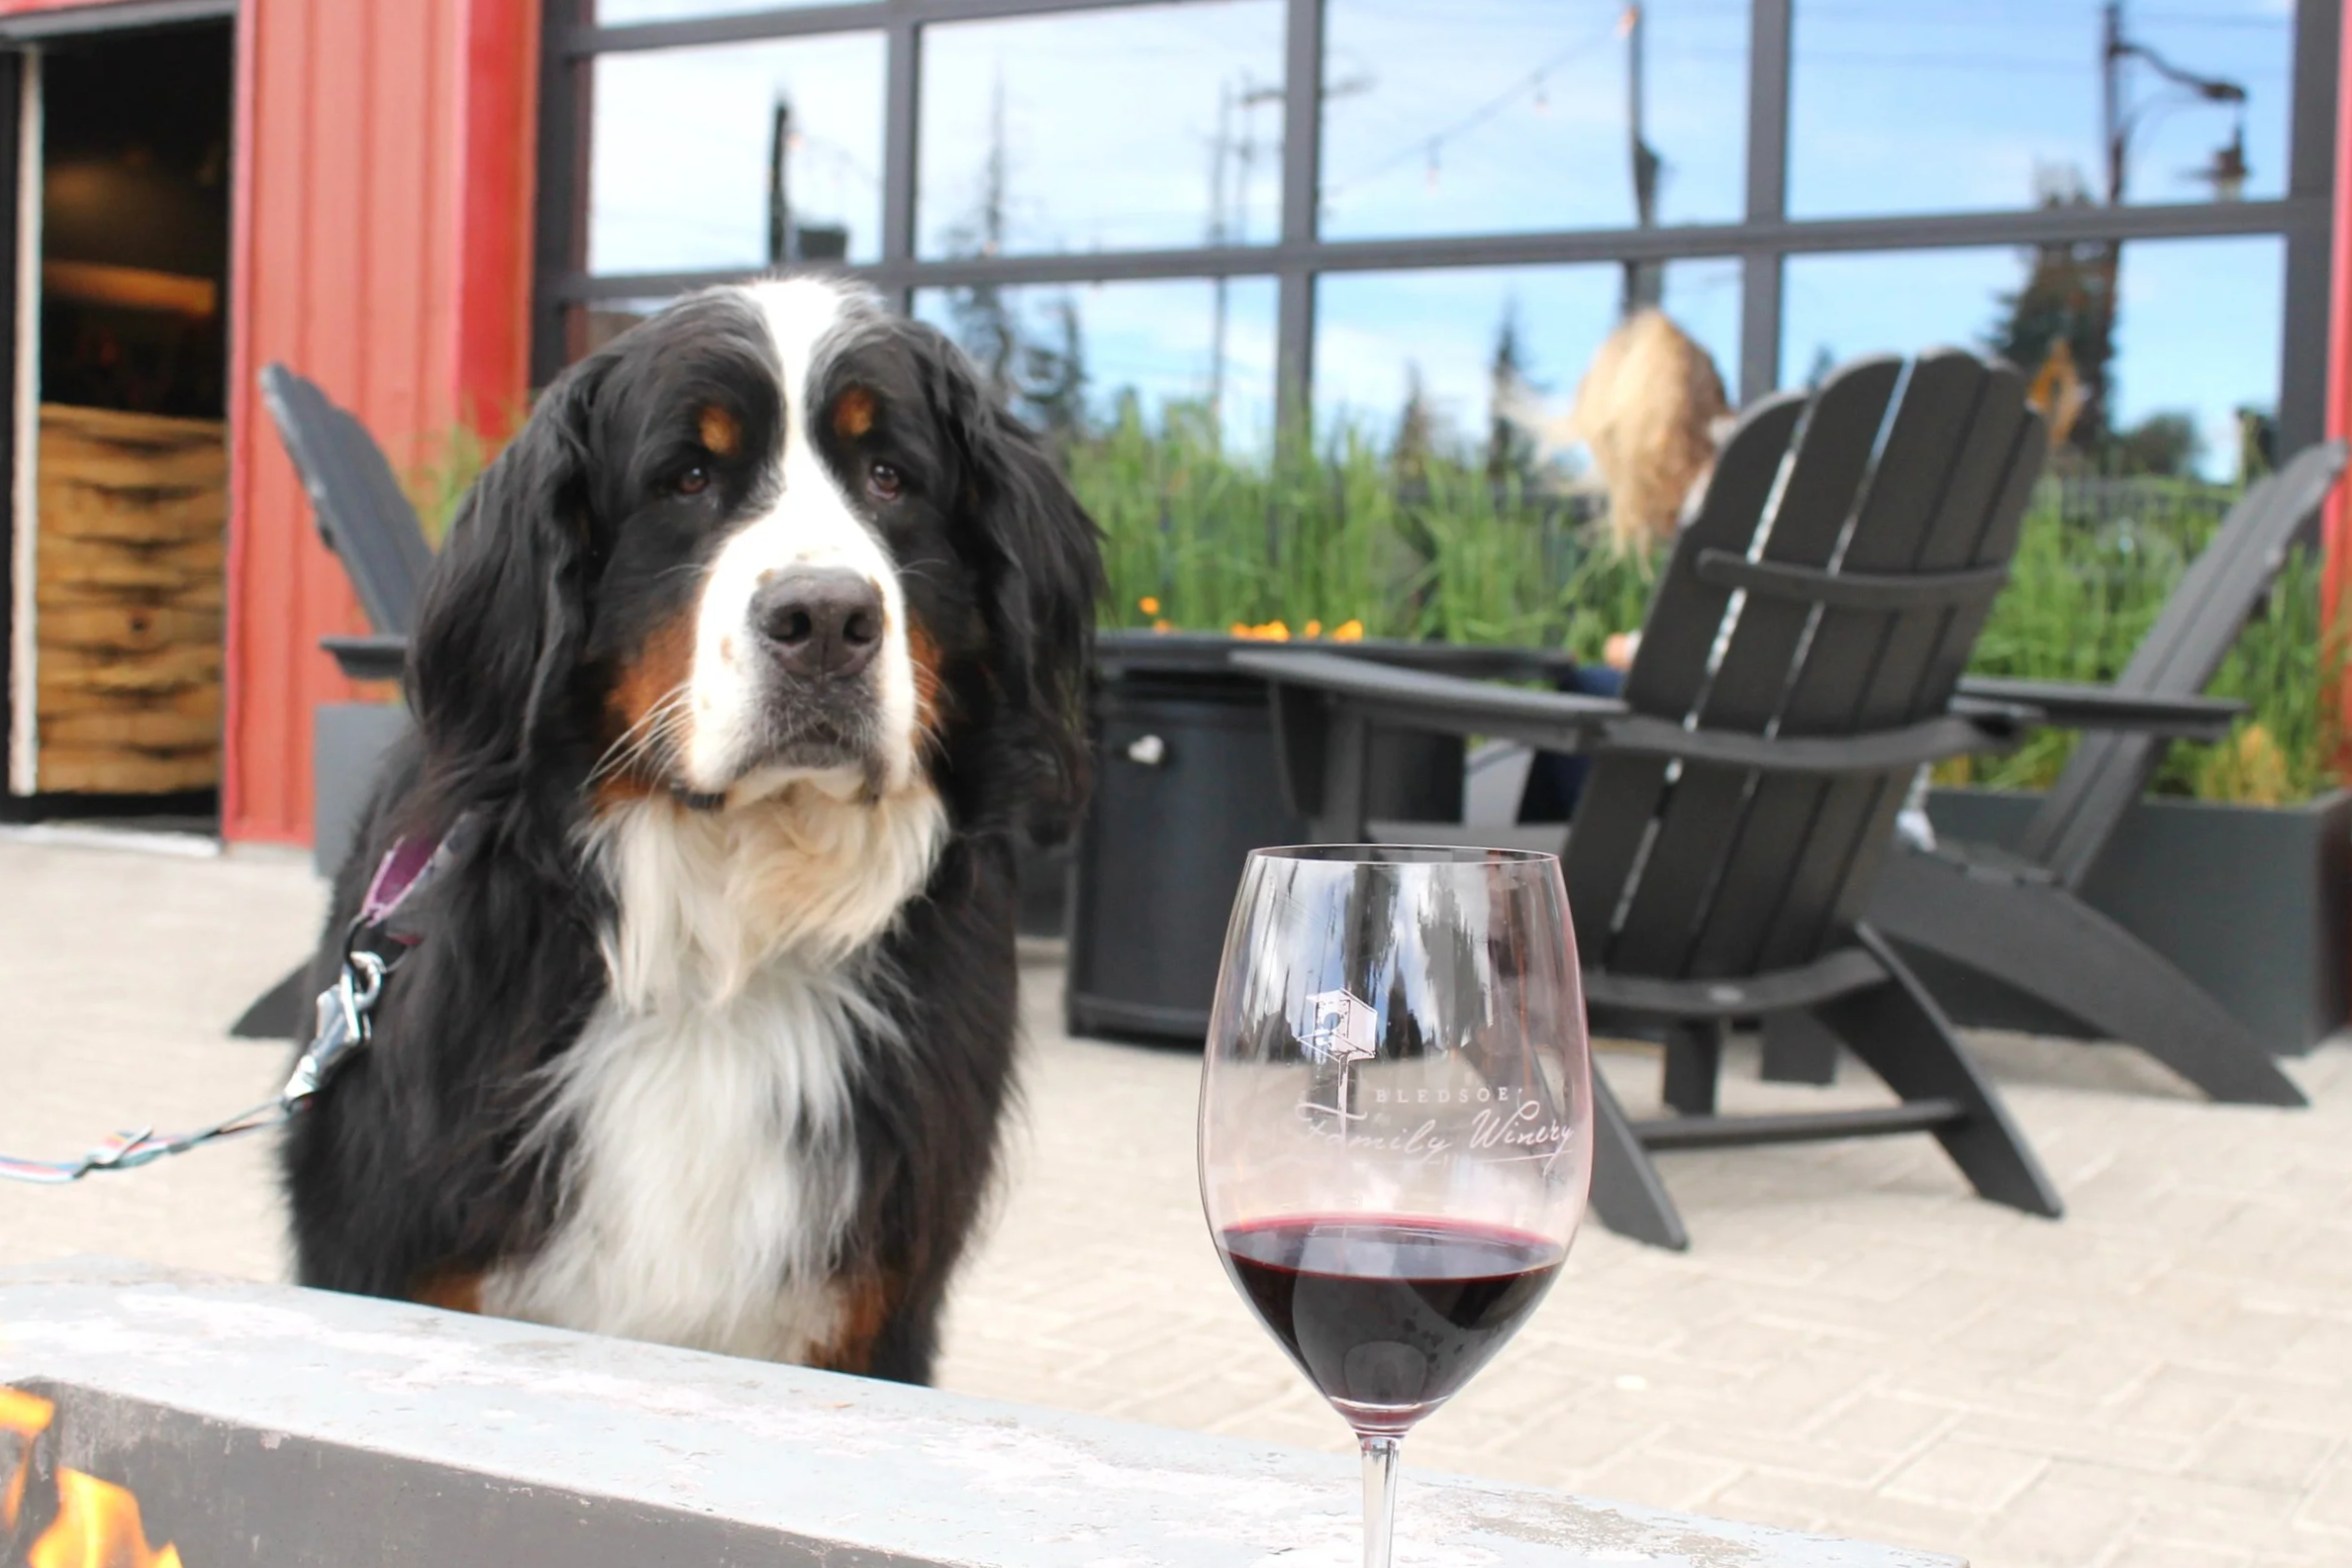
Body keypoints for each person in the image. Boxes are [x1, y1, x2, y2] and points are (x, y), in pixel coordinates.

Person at [1519, 308, 1732, 824]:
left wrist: (1638, 651)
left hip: (1716, 812)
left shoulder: (1729, 507)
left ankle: (1516, 898)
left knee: (1580, 697)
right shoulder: (1802, 491)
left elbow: (1726, 666)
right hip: (1841, 814)